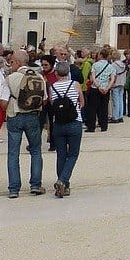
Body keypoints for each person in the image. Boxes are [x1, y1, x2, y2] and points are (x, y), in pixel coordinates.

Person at [4, 49, 46, 197]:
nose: (10, 65)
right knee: (35, 150)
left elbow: (3, 101)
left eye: (12, 62)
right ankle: (35, 184)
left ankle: (14, 188)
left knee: (13, 152)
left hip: (15, 115)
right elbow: (44, 98)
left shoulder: (10, 78)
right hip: (33, 116)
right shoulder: (39, 76)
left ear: (18, 62)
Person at [48, 62, 83, 197]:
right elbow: (82, 101)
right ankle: (63, 180)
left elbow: (52, 103)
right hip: (74, 122)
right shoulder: (75, 84)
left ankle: (63, 186)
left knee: (61, 154)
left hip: (59, 123)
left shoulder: (52, 87)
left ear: (56, 73)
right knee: (73, 154)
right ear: (68, 72)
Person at [85, 47, 116, 132]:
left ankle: (91, 127)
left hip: (95, 88)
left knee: (92, 108)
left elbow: (93, 77)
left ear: (101, 55)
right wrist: (107, 88)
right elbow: (112, 79)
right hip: (106, 89)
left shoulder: (95, 65)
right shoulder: (111, 66)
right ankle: (104, 126)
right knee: (104, 108)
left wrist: (98, 86)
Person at [110, 51, 127, 123]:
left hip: (115, 84)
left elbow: (113, 74)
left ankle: (115, 117)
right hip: (122, 83)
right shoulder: (123, 64)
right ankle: (120, 116)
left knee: (115, 101)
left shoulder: (113, 65)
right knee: (120, 100)